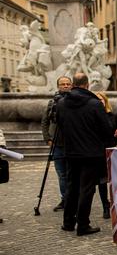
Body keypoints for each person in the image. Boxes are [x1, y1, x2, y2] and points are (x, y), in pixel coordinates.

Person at [56, 72, 115, 236]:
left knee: (71, 187)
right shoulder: (94, 104)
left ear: (73, 84)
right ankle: (83, 224)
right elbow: (105, 130)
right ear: (87, 85)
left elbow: (60, 126)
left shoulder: (61, 103)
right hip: (91, 153)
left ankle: (68, 222)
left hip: (71, 152)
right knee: (87, 189)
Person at [40, 76, 72, 211]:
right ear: (58, 86)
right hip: (57, 144)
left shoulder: (76, 102)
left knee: (72, 174)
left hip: (73, 144)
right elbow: (45, 121)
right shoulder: (52, 102)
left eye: (68, 84)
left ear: (71, 85)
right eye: (62, 84)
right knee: (61, 174)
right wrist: (47, 138)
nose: (65, 86)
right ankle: (65, 199)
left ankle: (72, 199)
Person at [95, 92, 117, 219]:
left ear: (105, 101)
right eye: (97, 100)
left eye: (101, 99)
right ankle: (105, 205)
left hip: (112, 149)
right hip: (99, 151)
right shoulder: (93, 116)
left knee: (114, 179)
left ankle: (116, 203)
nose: (100, 102)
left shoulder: (111, 115)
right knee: (102, 180)